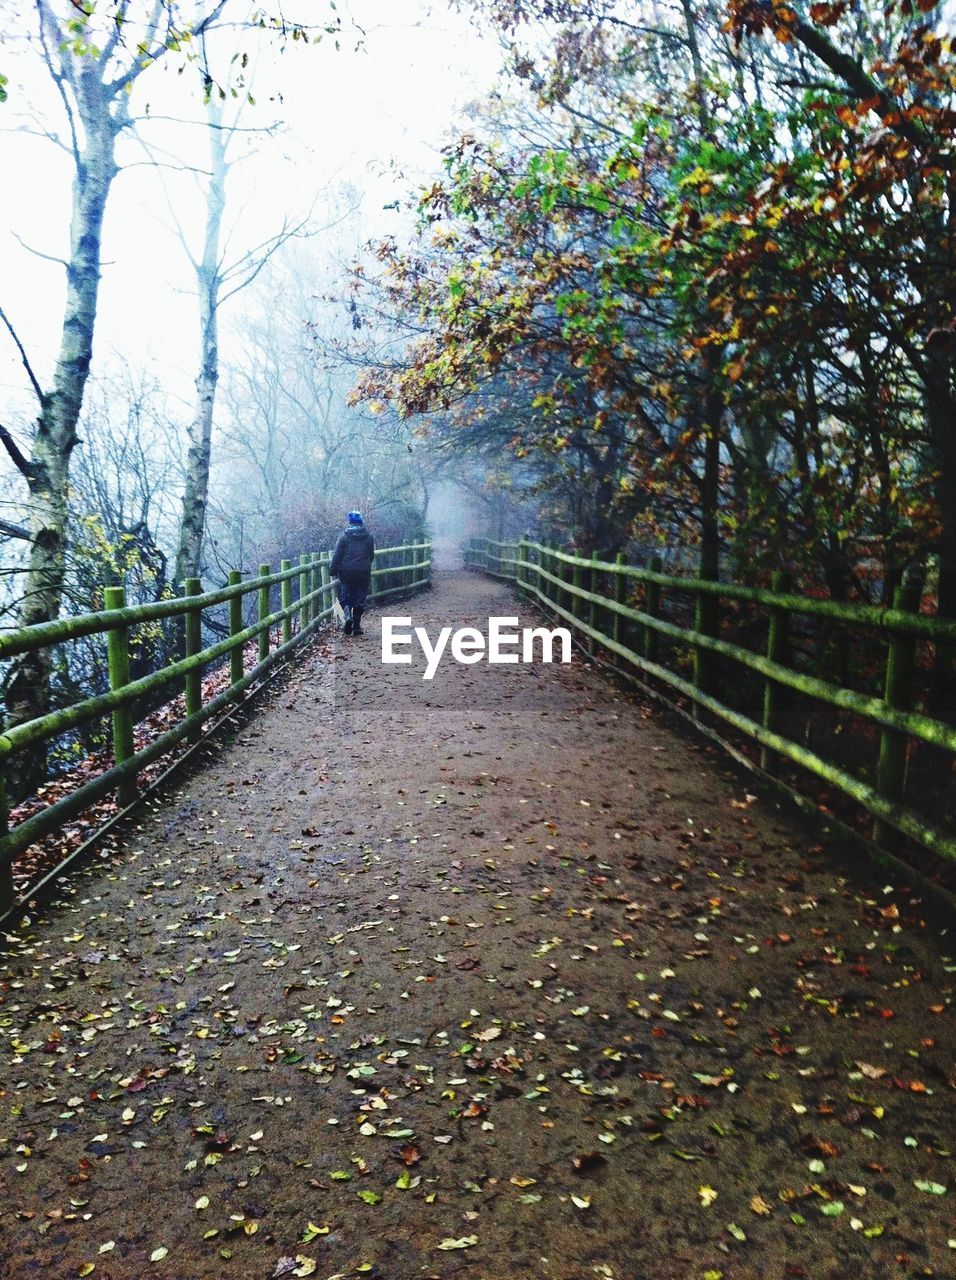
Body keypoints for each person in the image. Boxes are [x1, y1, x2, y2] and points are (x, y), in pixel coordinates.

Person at [330, 511, 375, 635]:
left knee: (346, 595)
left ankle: (348, 616)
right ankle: (356, 626)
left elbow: (337, 555)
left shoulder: (344, 536)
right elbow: (371, 555)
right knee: (360, 597)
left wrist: (333, 570)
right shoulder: (368, 536)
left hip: (346, 571)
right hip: (363, 571)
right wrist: (365, 565)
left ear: (350, 522)